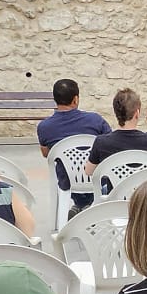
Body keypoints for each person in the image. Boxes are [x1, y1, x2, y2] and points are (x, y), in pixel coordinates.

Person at [83, 88, 147, 208]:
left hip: (115, 203)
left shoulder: (102, 142)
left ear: (116, 113)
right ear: (137, 113)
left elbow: (89, 171)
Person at [36, 79, 112, 212]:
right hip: (95, 178)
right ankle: (90, 206)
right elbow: (109, 145)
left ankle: (81, 204)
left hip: (67, 180)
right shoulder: (95, 120)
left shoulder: (44, 127)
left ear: (55, 99)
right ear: (75, 99)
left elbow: (46, 154)